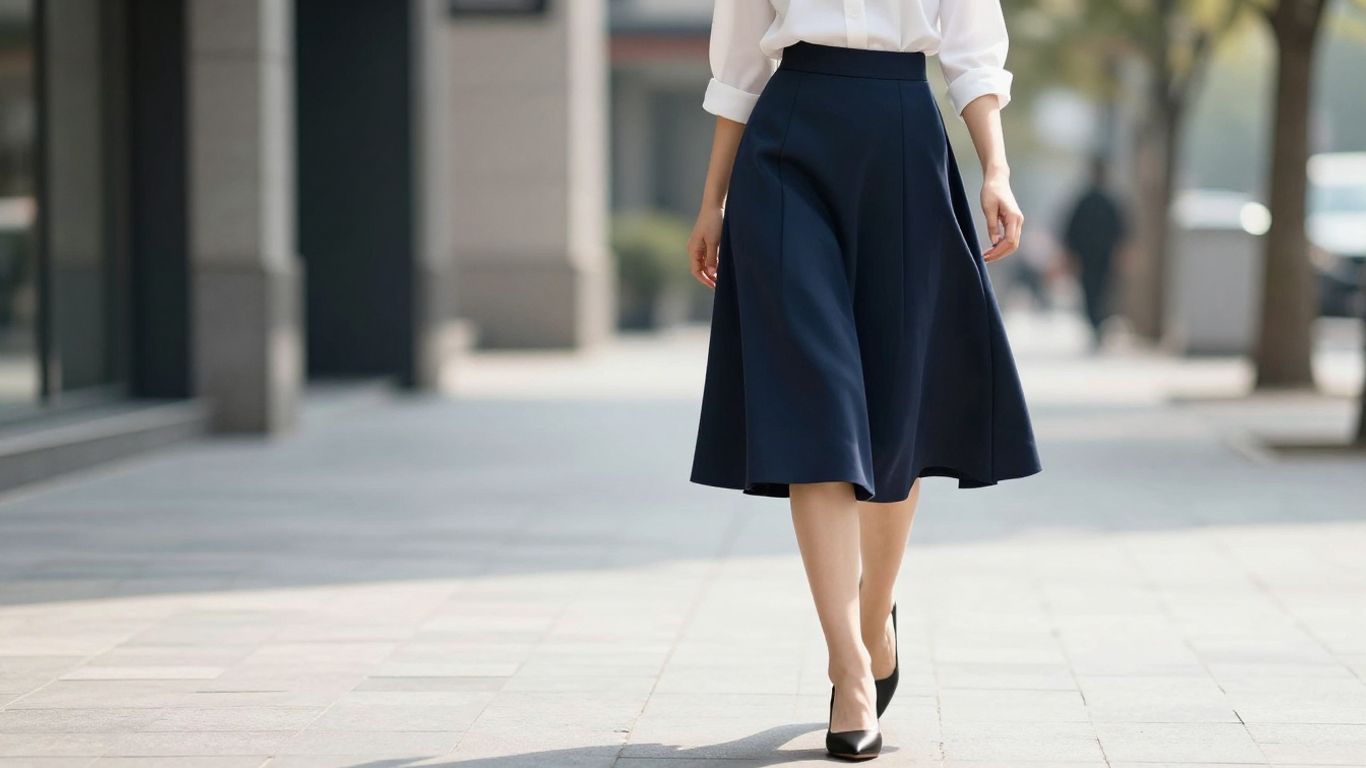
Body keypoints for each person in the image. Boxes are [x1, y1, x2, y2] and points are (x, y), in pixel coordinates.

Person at [685, 1, 1042, 761]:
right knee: (813, 405)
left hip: (903, 143)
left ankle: (874, 615)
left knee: (894, 410)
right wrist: (713, 199)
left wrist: (997, 170)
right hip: (787, 146)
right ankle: (848, 669)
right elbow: (741, 64)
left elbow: (973, 55)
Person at [1062, 156, 1128, 350]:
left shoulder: (1104, 202)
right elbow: (1071, 230)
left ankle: (1097, 325)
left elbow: (1121, 231)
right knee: (1094, 292)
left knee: (1097, 292)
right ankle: (1096, 326)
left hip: (1096, 257)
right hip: (1092, 257)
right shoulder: (1094, 201)